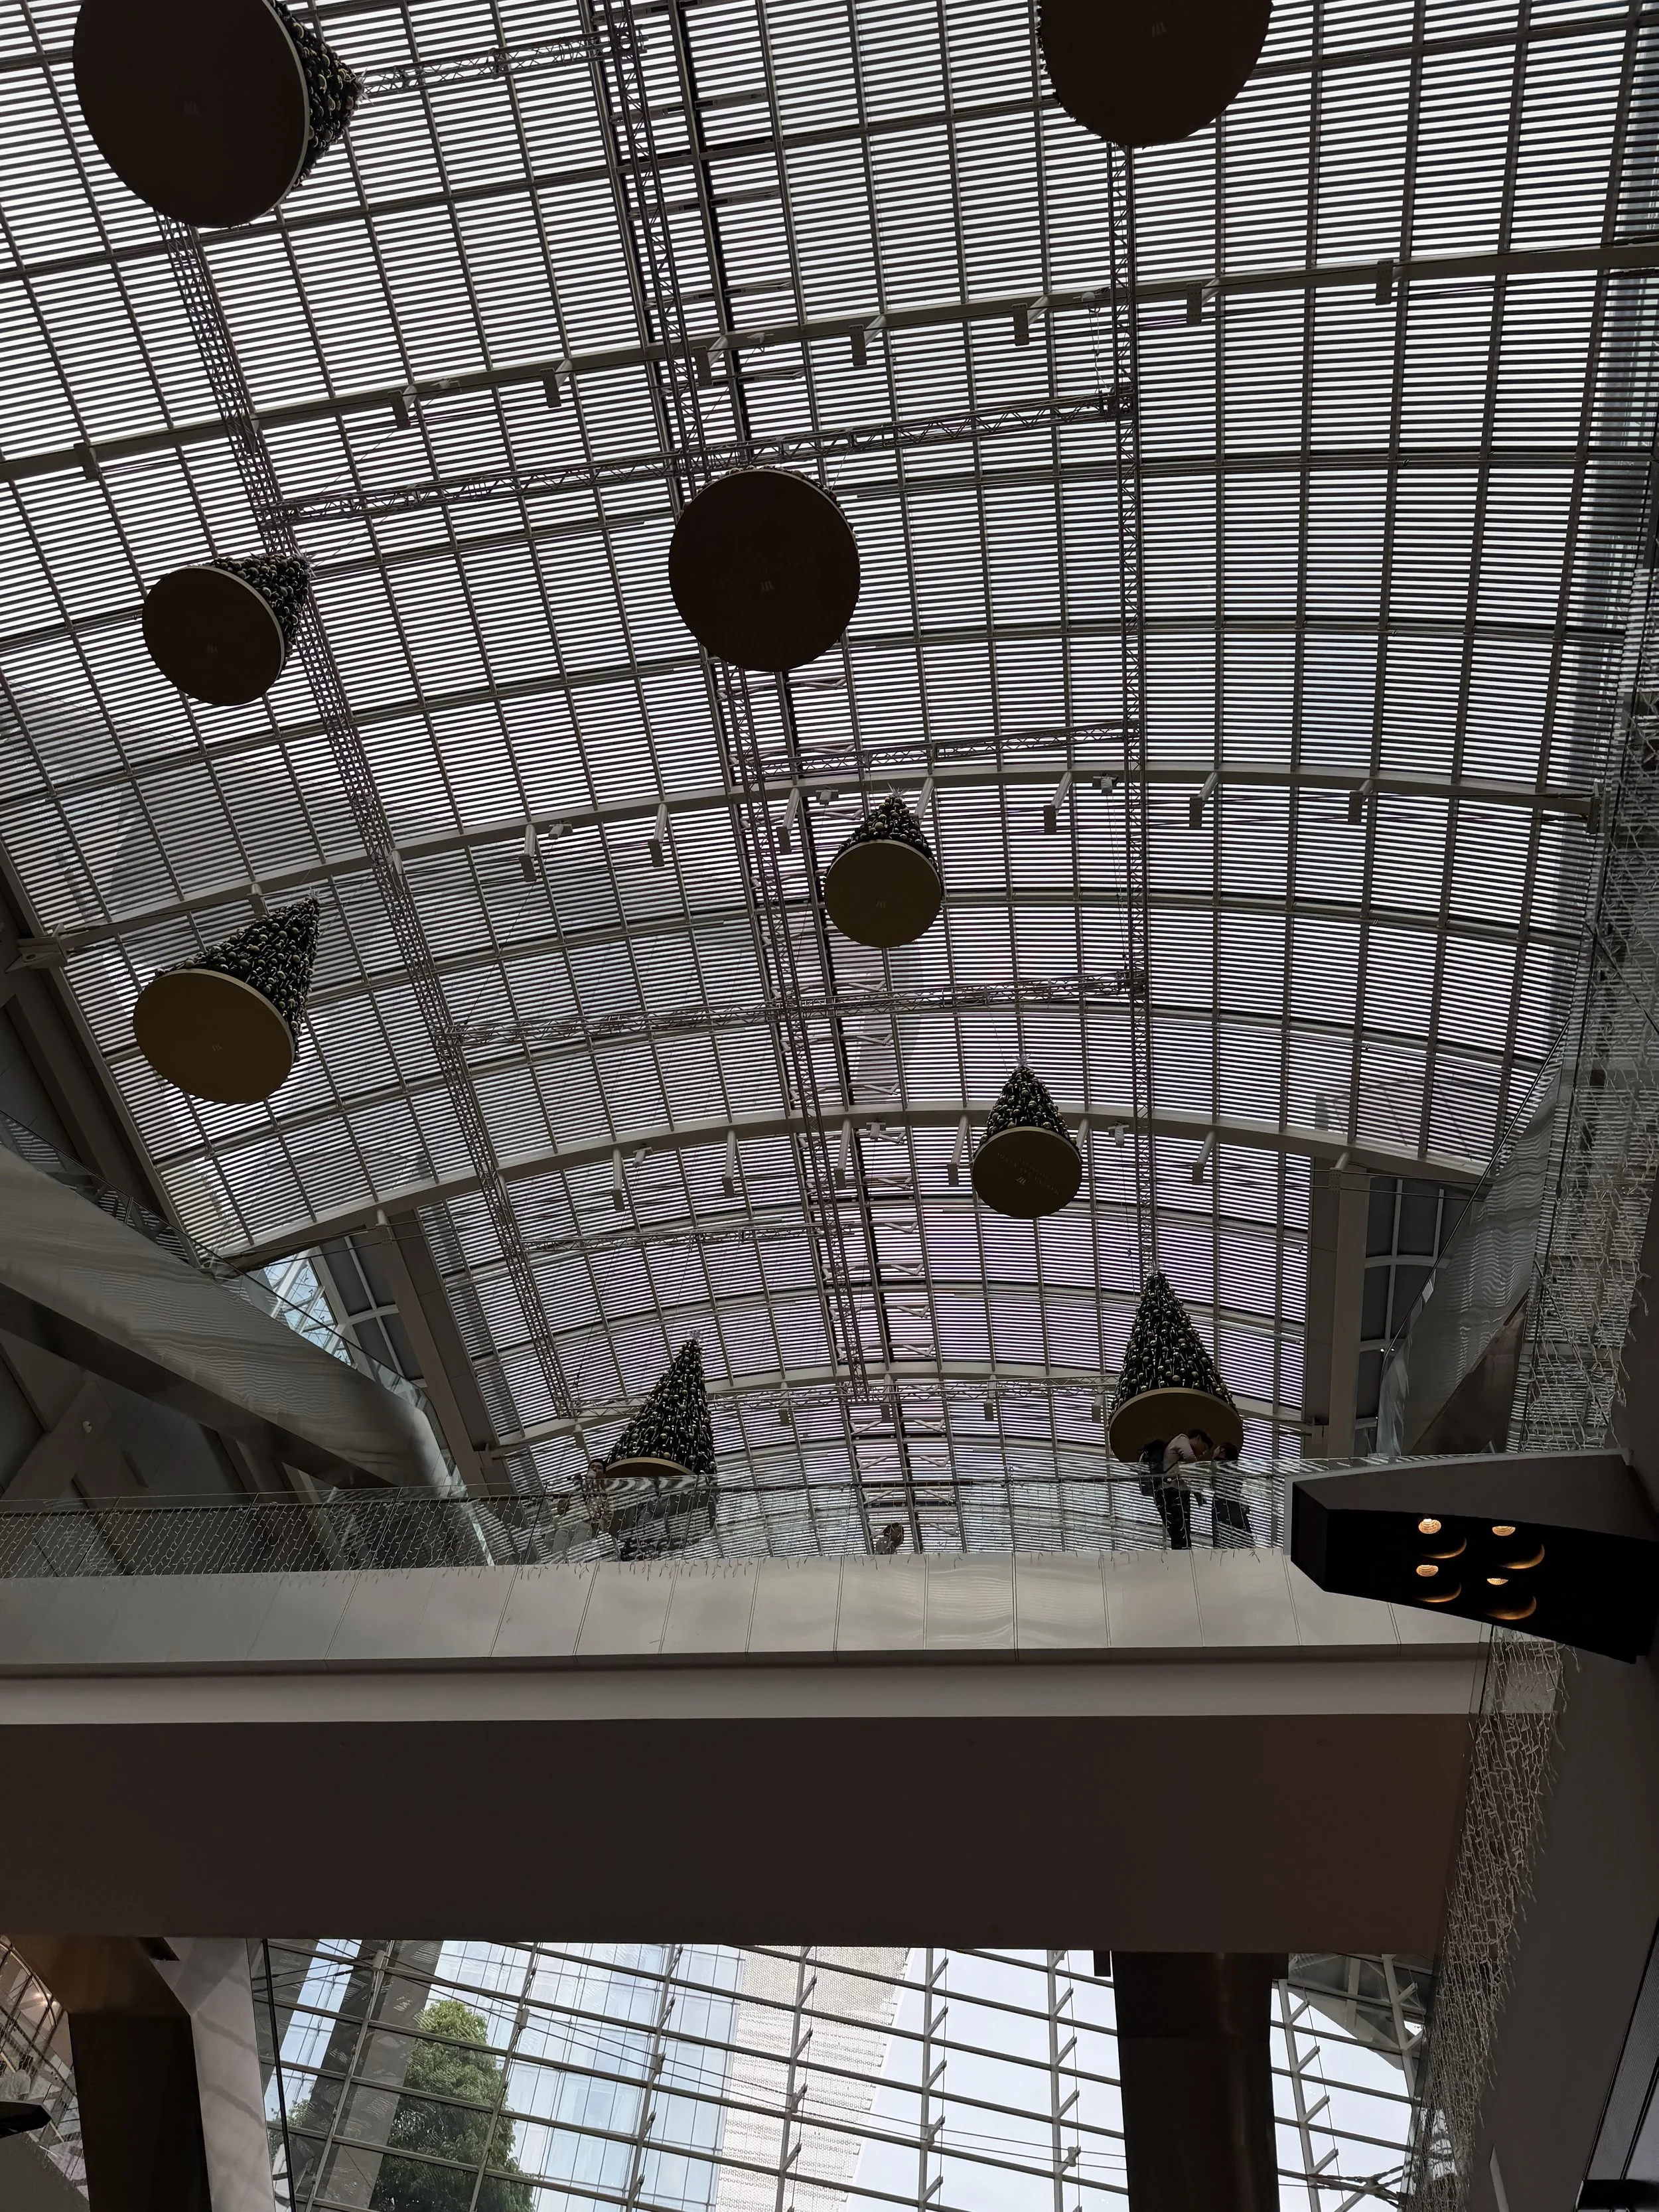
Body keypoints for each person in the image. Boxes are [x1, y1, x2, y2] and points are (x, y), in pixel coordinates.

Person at [1138, 1429, 1214, 1549]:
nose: (1202, 1453)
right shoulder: (1182, 1439)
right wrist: (1203, 1474)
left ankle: (1182, 1554)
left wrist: (1196, 1492)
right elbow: (1190, 1458)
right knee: (1181, 1529)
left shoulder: (1177, 1456)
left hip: (1164, 1494)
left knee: (1177, 1531)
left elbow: (1186, 1476)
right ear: (1198, 1438)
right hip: (1173, 1492)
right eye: (1204, 1448)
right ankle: (1184, 1556)